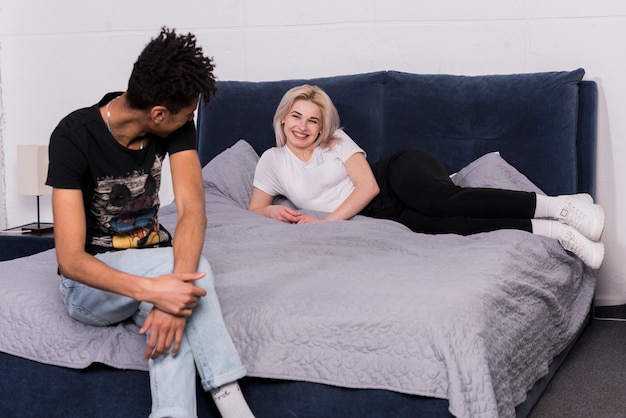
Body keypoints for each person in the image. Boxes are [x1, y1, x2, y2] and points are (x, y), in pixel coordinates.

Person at [46, 27, 255, 418]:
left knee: (177, 318)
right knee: (197, 272)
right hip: (89, 288)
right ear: (159, 114)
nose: (190, 120)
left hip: (151, 269)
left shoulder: (173, 123)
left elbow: (193, 210)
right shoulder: (73, 137)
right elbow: (71, 259)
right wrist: (158, 290)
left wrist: (168, 300)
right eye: (187, 114)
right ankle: (232, 401)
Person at [248, 84, 606, 269]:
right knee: (449, 225)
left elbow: (368, 185)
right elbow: (254, 209)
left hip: (394, 176)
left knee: (442, 201)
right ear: (283, 119)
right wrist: (272, 212)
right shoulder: (273, 161)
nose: (303, 126)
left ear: (322, 125)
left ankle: (560, 207)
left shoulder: (336, 141)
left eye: (313, 120)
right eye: (296, 117)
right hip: (383, 214)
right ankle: (558, 232)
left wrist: (325, 225)